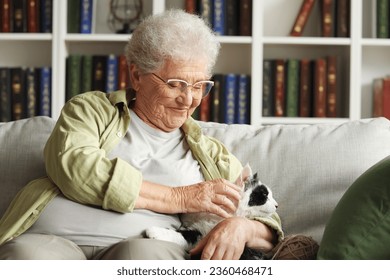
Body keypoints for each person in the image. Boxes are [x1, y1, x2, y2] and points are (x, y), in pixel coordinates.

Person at [0, 9, 283, 260]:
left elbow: (269, 224)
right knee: (27, 257)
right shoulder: (91, 110)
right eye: (176, 84)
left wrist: (241, 227)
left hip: (145, 246)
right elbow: (75, 168)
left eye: (199, 86)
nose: (189, 99)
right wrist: (179, 198)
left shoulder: (210, 153)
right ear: (137, 76)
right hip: (52, 239)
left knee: (141, 256)